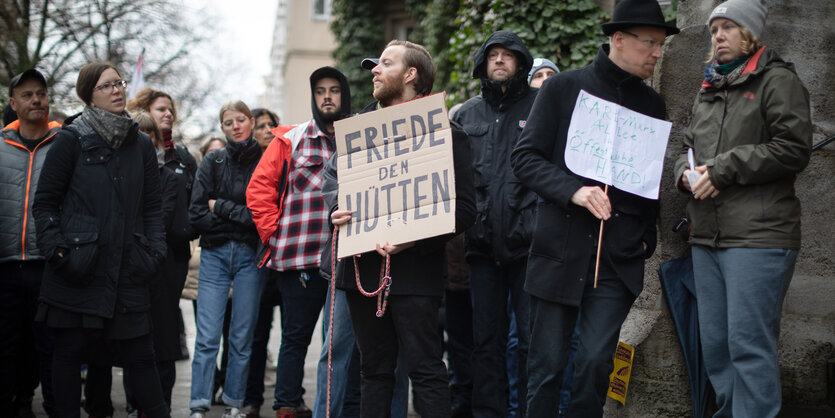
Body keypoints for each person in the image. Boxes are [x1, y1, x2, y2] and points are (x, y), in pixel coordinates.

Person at [510, 0, 679, 416]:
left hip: (617, 260)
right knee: (546, 369)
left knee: (594, 364)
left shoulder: (652, 105)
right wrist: (574, 191)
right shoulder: (562, 88)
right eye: (650, 43)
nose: (658, 53)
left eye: (661, 44)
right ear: (618, 40)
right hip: (558, 254)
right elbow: (525, 158)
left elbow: (648, 183)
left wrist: (644, 240)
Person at [323, 39, 476, 417]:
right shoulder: (356, 132)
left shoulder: (447, 133)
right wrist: (337, 207)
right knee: (373, 371)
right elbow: (331, 179)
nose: (374, 70)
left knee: (425, 369)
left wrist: (412, 238)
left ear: (411, 75)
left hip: (416, 272)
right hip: (360, 269)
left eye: (385, 63)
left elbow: (466, 209)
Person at [674, 1, 812, 416]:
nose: (717, 36)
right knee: (717, 348)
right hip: (706, 236)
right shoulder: (709, 86)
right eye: (713, 29)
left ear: (750, 34)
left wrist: (722, 168)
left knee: (748, 346)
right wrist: (685, 173)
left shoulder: (777, 80)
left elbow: (793, 149)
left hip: (759, 238)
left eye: (728, 28)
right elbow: (688, 147)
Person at [32, 61, 169, 417]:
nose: (118, 89)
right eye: (107, 85)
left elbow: (152, 208)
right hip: (77, 273)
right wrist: (61, 255)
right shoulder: (70, 138)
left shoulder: (139, 144)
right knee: (68, 357)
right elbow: (45, 204)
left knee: (142, 358)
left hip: (128, 272)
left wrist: (152, 252)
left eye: (119, 83)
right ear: (88, 95)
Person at [246, 66, 351, 417]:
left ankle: (337, 407)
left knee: (341, 344)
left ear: (344, 95)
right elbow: (259, 188)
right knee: (296, 337)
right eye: (320, 90)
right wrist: (273, 233)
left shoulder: (361, 136)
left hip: (349, 256)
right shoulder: (290, 138)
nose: (327, 96)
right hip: (300, 259)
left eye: (334, 90)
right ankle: (287, 406)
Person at [451, 30, 538, 418]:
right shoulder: (465, 115)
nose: (499, 60)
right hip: (481, 247)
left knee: (532, 342)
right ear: (483, 63)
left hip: (528, 245)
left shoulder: (542, 107)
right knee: (485, 341)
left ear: (520, 63)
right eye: (493, 55)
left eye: (507, 55)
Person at [188, 100, 265, 418]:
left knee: (242, 337)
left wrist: (219, 207)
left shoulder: (265, 161)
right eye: (228, 122)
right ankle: (198, 404)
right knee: (207, 337)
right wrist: (239, 218)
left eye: (240, 120)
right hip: (216, 255)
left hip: (250, 256)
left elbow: (262, 217)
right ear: (221, 127)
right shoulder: (213, 160)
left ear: (250, 121)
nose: (235, 126)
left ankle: (233, 402)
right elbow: (195, 213)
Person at [0, 69, 61, 417]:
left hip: (48, 265)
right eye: (27, 94)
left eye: (40, 93)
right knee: (7, 347)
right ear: (13, 103)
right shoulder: (0, 146)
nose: (36, 100)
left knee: (47, 347)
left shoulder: (64, 146)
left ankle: (48, 406)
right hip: (5, 265)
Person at [127, 87, 197, 364]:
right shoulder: (129, 154)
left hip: (174, 253)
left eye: (170, 109)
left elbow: (195, 200)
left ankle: (159, 400)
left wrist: (187, 228)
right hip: (138, 251)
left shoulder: (183, 157)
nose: (168, 113)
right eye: (160, 109)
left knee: (166, 324)